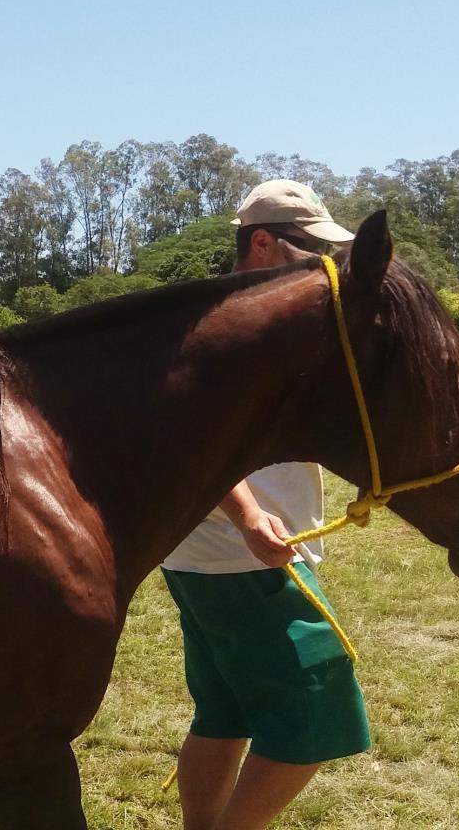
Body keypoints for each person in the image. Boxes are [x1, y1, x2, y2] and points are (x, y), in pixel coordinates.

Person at [161, 179, 370, 830]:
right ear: (262, 243)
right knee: (319, 716)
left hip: (202, 560)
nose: (326, 265)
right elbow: (188, 435)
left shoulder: (255, 322)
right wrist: (251, 518)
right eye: (313, 249)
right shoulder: (229, 329)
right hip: (244, 560)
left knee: (223, 715)